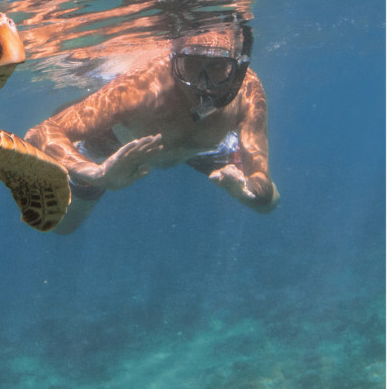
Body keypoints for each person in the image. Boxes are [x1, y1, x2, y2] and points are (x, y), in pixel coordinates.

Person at [25, 23, 279, 234]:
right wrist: (97, 174)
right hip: (118, 145)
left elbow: (262, 181)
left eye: (217, 68)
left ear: (236, 67)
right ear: (172, 60)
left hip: (204, 146)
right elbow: (42, 131)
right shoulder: (141, 88)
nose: (204, 85)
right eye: (190, 65)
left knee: (268, 203)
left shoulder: (247, 91)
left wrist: (246, 193)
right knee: (63, 226)